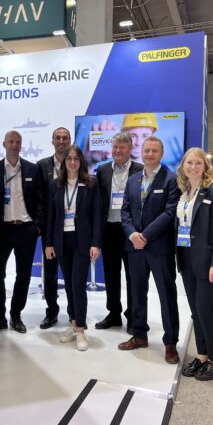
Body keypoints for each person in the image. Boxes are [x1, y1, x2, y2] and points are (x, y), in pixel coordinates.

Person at [118, 136, 181, 364]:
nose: (150, 154)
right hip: (134, 247)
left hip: (159, 248)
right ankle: (139, 335)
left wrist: (145, 235)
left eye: (154, 151)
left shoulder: (171, 180)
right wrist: (133, 234)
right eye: (146, 150)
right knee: (136, 293)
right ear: (141, 152)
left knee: (167, 296)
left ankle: (171, 343)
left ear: (161, 154)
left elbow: (170, 212)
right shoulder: (133, 180)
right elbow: (125, 211)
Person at [175, 147, 213, 381]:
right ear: (183, 166)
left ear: (205, 167)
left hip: (209, 263)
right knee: (196, 312)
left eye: (198, 163)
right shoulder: (184, 191)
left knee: (207, 311)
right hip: (187, 260)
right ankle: (202, 355)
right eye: (189, 163)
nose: (193, 167)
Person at [45, 145, 101, 351]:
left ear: (81, 162)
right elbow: (51, 216)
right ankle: (72, 321)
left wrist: (95, 243)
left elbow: (96, 216)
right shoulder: (55, 185)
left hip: (82, 241)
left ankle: (80, 330)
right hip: (61, 240)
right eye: (69, 158)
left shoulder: (91, 184)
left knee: (78, 284)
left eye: (76, 159)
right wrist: (48, 243)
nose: (72, 162)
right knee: (68, 284)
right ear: (64, 162)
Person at [0, 131, 42, 334]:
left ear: (21, 145)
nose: (14, 145)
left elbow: (39, 200)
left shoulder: (32, 169)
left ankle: (16, 315)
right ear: (4, 144)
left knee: (24, 274)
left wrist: (36, 226)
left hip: (25, 229)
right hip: (1, 230)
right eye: (11, 141)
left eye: (18, 142)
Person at [95, 131, 143, 333]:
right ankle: (114, 313)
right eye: (115, 147)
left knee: (133, 276)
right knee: (110, 274)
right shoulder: (103, 170)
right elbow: (98, 202)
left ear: (130, 149)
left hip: (131, 231)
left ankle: (133, 316)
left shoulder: (140, 170)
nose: (117, 151)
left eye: (122, 147)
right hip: (109, 230)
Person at [36, 127, 71, 329]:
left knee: (72, 273)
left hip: (72, 229)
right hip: (51, 230)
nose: (61, 141)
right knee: (50, 274)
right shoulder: (42, 166)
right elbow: (39, 200)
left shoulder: (77, 164)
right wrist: (43, 228)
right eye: (58, 138)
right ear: (52, 141)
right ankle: (51, 312)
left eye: (65, 138)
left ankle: (74, 313)